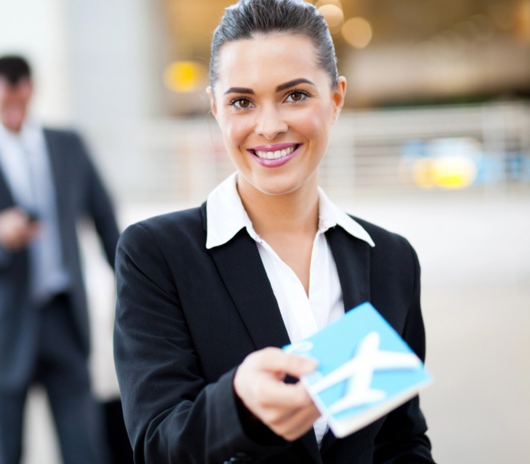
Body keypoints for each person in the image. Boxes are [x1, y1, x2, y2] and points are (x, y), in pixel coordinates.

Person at [113, 1, 434, 463]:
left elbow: (400, 442)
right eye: (242, 102)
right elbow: (157, 443)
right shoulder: (156, 255)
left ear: (336, 99)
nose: (269, 127)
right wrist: (236, 407)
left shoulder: (390, 259)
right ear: (215, 109)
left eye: (295, 95)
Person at [0, 55, 120, 464]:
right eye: (4, 90)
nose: (13, 99)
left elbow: (105, 221)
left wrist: (136, 287)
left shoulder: (68, 146)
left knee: (85, 449)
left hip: (63, 317)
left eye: (20, 88)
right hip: (4, 329)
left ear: (31, 89)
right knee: (7, 452)